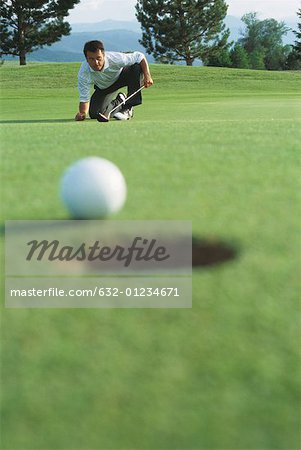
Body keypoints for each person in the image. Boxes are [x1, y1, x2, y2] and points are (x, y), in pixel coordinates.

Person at [75, 40, 153, 121]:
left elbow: (139, 56)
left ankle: (128, 108)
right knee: (95, 114)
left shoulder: (115, 58)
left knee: (136, 66)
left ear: (103, 55)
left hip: (122, 76)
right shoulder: (84, 72)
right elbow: (84, 97)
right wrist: (82, 113)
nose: (96, 62)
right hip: (104, 87)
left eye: (98, 58)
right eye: (91, 59)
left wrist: (147, 76)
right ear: (86, 59)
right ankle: (120, 100)